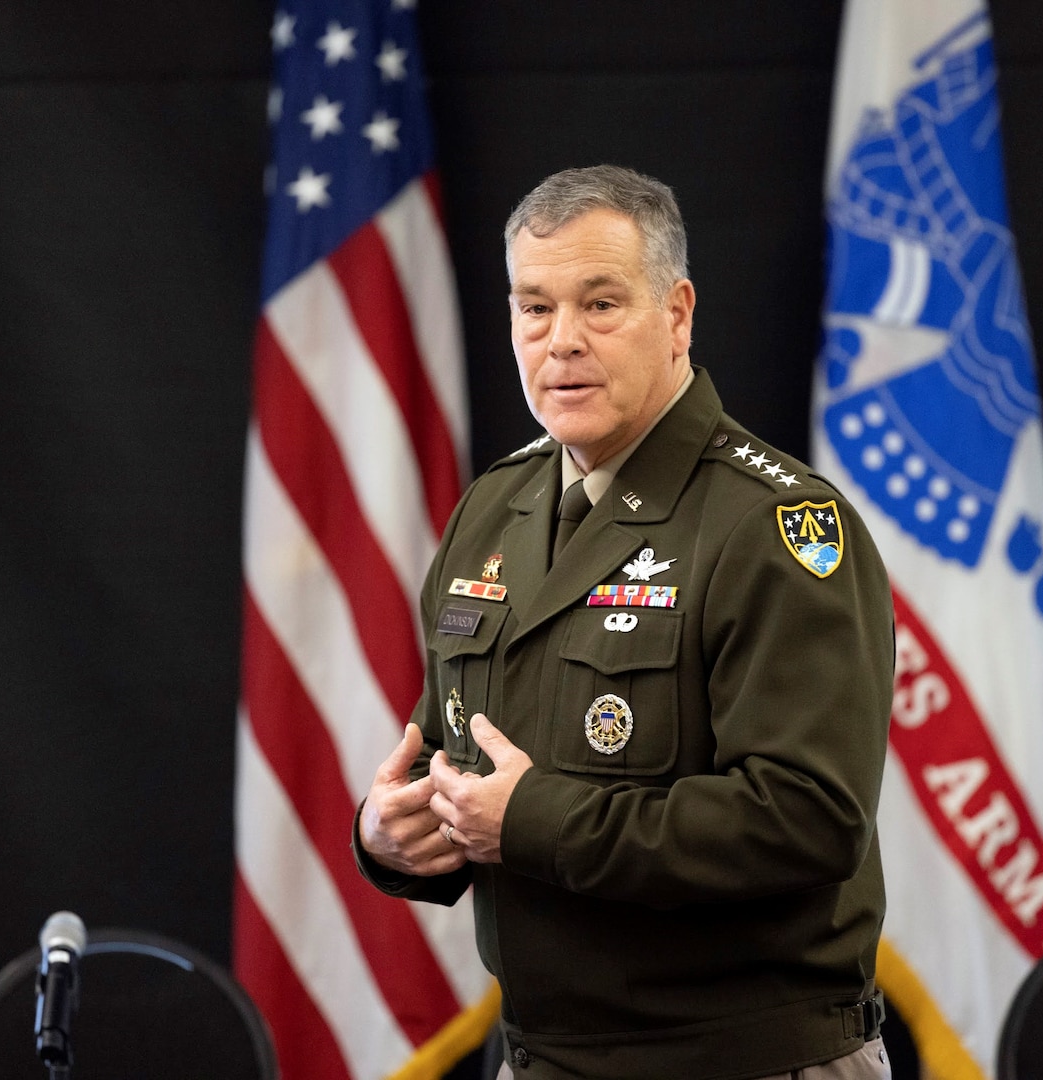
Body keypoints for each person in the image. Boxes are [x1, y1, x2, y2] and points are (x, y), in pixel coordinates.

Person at [353, 165, 895, 1080]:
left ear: (677, 314)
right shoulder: (493, 509)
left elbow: (807, 819)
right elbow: (454, 754)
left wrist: (534, 821)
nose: (560, 342)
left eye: (600, 304)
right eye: (534, 308)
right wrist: (398, 836)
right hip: (543, 1057)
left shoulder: (773, 526)